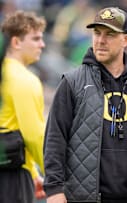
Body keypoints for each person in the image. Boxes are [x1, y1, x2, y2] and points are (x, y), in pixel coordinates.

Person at [43, 7, 127, 203]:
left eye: (110, 34)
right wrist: (54, 190)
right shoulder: (72, 82)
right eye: (97, 33)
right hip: (82, 198)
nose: (101, 40)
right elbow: (54, 140)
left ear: (126, 40)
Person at [0, 10, 46, 202]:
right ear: (16, 42)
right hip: (12, 177)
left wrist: (35, 175)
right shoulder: (25, 80)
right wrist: (57, 178)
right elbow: (34, 136)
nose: (42, 44)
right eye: (35, 39)